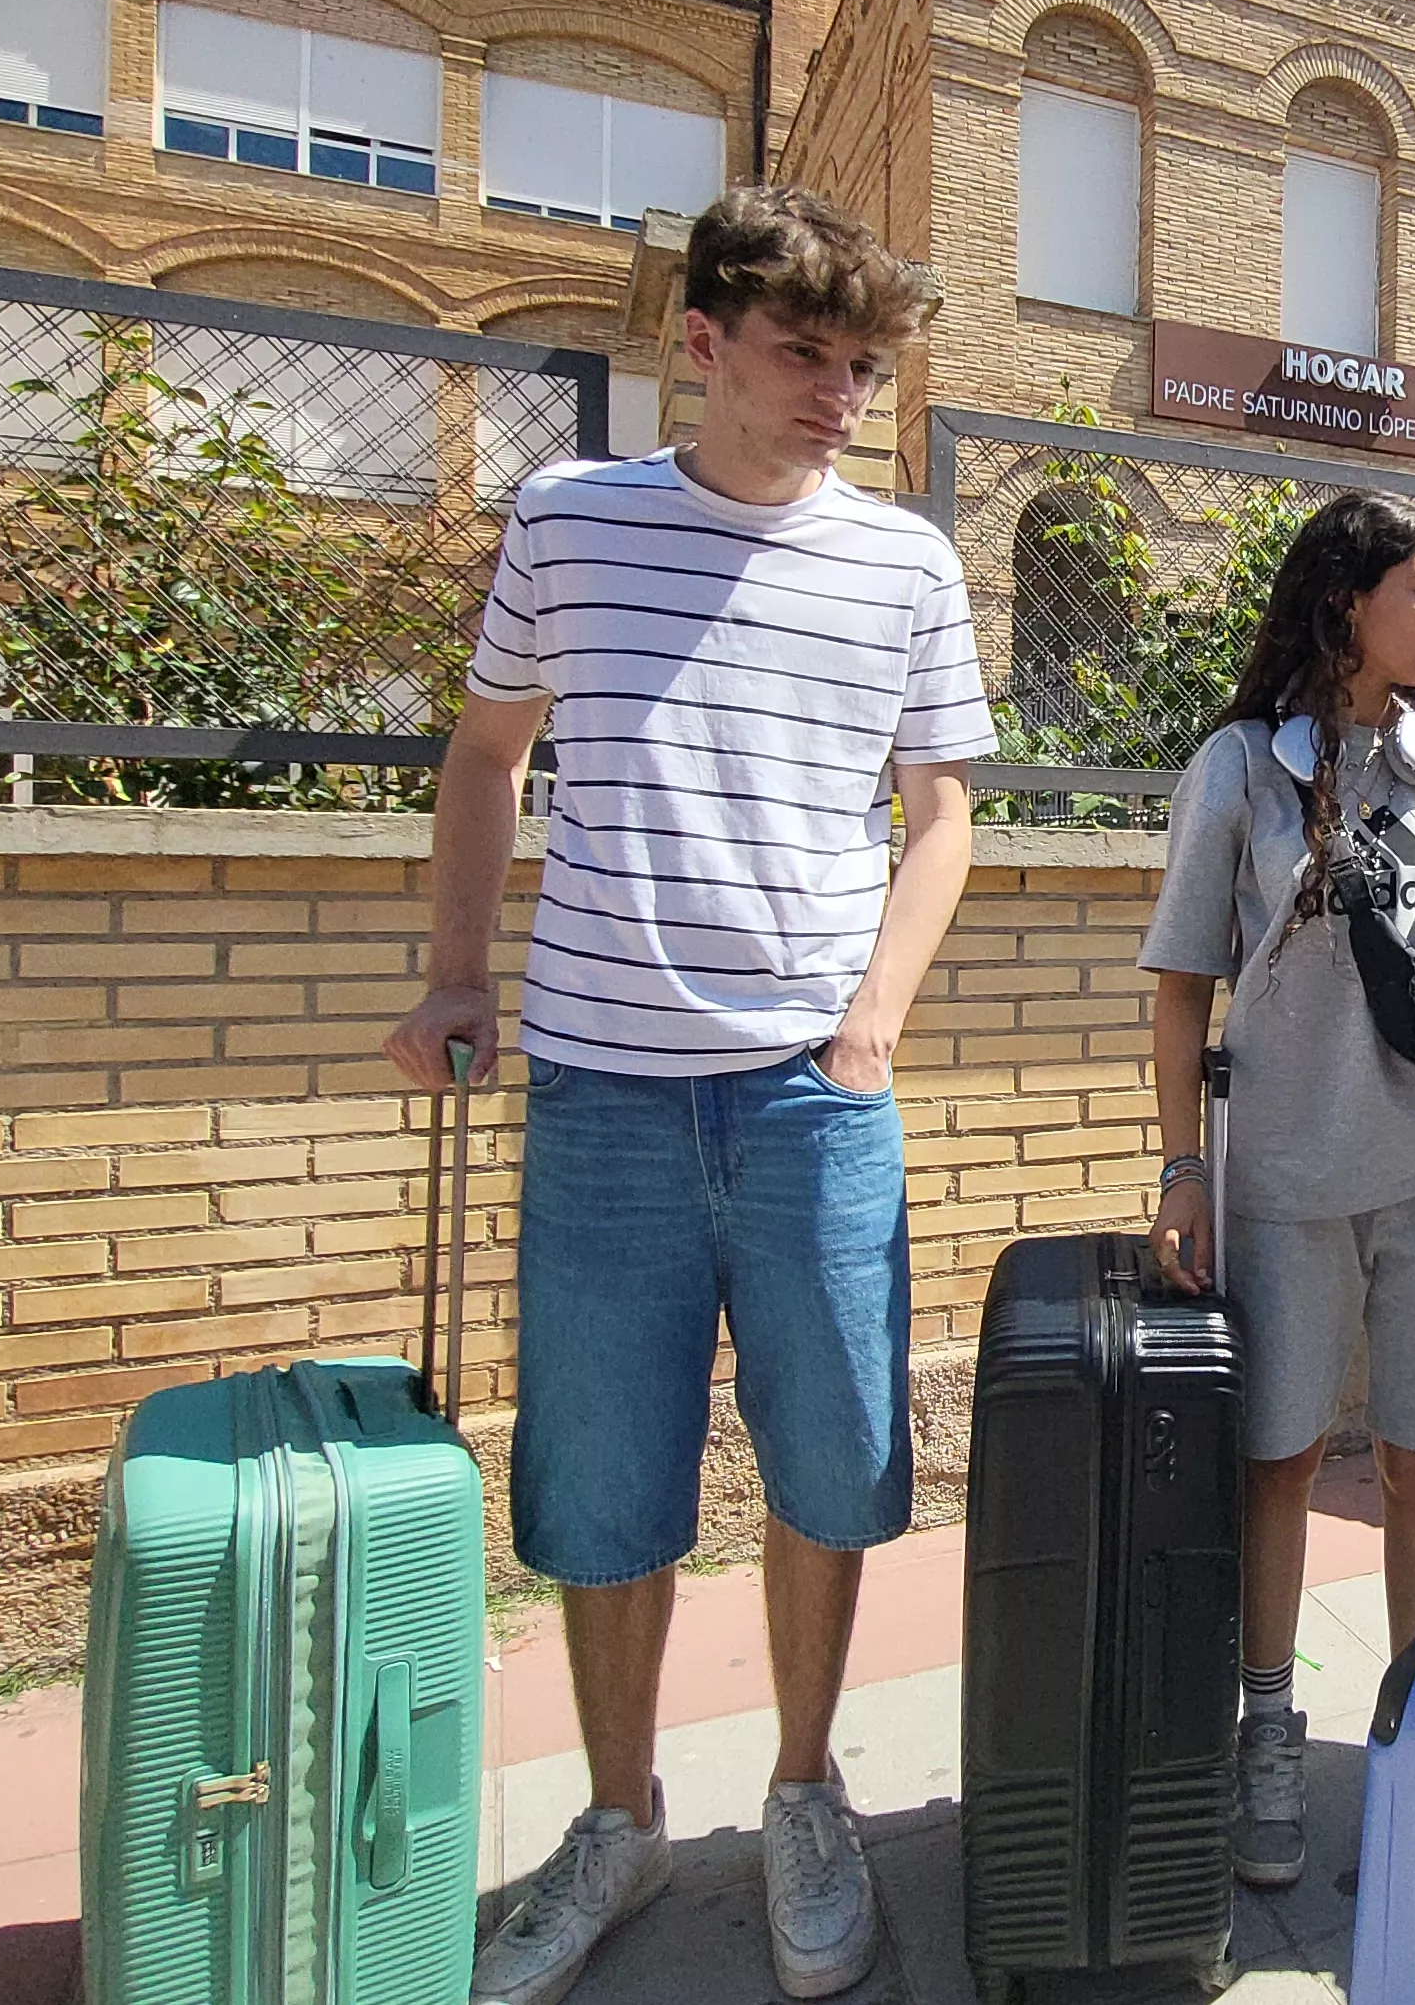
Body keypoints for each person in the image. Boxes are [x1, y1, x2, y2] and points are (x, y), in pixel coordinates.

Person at [384, 184, 984, 2003]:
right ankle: (621, 1812)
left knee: (832, 1461)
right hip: (602, 1102)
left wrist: (872, 1016)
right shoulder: (570, 522)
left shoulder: (906, 563)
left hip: (815, 1098)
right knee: (600, 1478)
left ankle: (806, 1788)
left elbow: (943, 811)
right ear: (700, 344)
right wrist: (459, 974)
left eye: (865, 364)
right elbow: (490, 752)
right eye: (808, 354)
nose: (842, 394)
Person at [1138, 492, 1415, 1891]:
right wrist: (1184, 1169)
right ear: (1348, 602)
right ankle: (1268, 1731)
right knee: (1275, 1458)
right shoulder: (1242, 770)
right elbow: (1180, 984)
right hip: (1287, 1181)